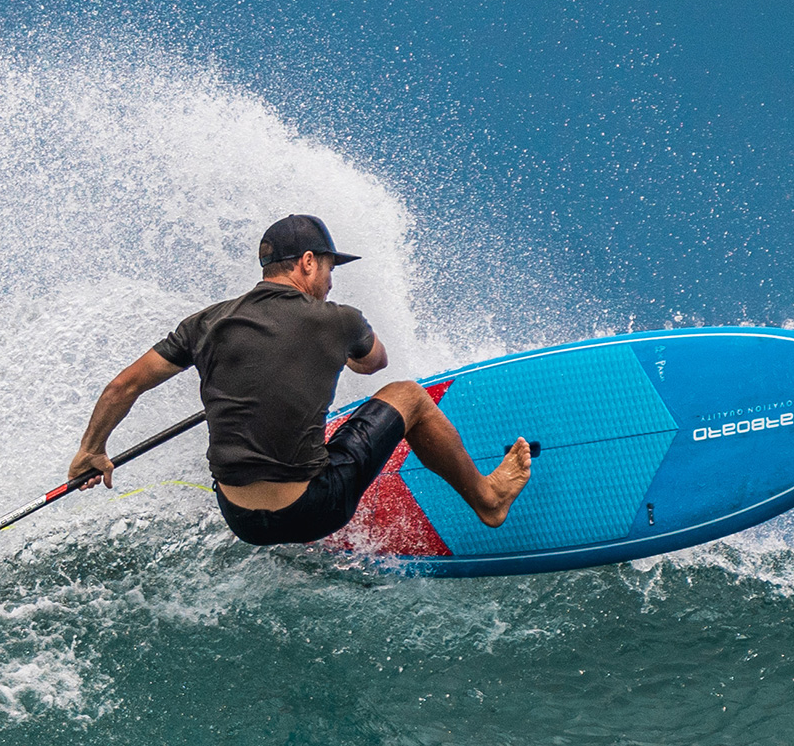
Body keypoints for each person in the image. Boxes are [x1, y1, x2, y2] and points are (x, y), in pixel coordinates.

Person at [69, 214, 531, 545]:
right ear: (307, 262)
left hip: (241, 521)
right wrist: (340, 353)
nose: (331, 282)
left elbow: (121, 387)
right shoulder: (338, 320)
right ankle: (488, 499)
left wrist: (91, 450)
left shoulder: (205, 324)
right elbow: (376, 364)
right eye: (330, 268)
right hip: (312, 509)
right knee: (408, 396)